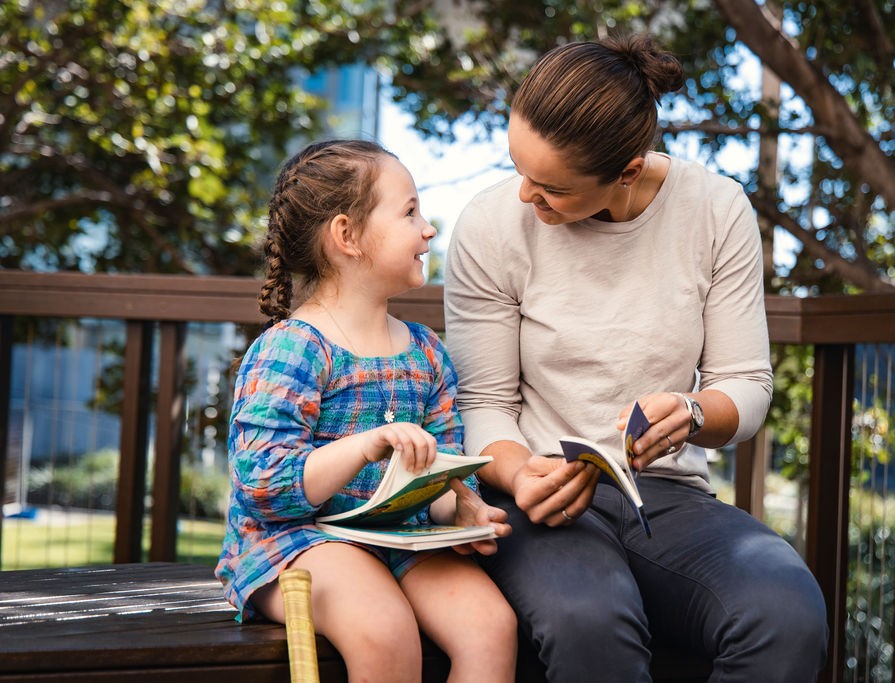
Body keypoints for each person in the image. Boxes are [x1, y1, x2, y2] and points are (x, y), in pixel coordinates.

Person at [443, 35, 829, 682]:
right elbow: (483, 403)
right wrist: (517, 475)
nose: (524, 197)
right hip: (539, 499)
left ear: (627, 169)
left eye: (551, 188)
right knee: (587, 620)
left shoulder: (715, 208)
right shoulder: (488, 227)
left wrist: (691, 410)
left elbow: (747, 385)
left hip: (668, 501)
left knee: (786, 612)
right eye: (520, 171)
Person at [216, 139, 517, 683]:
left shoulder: (426, 351)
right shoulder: (295, 347)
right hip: (295, 541)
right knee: (385, 630)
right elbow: (261, 485)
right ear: (346, 236)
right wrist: (363, 446)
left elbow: (440, 473)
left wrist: (462, 511)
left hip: (398, 538)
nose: (428, 229)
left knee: (491, 626)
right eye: (409, 212)